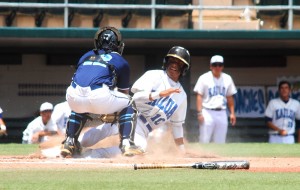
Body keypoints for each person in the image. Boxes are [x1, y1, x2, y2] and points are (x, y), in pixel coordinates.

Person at [79, 46, 191, 158]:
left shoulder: (181, 96)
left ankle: (93, 154)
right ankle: (72, 144)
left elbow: (177, 126)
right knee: (101, 132)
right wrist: (159, 94)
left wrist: (182, 151)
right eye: (172, 60)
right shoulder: (154, 75)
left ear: (184, 68)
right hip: (129, 116)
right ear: (166, 61)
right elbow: (135, 98)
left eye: (179, 63)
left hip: (143, 130)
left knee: (139, 149)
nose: (174, 64)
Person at [60, 26, 143, 158]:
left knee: (78, 103)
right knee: (129, 102)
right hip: (99, 96)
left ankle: (70, 142)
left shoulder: (86, 55)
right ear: (117, 45)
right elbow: (124, 93)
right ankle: (127, 143)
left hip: (72, 95)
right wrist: (114, 113)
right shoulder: (120, 60)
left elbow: (85, 80)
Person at [193, 55, 237, 144]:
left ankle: (218, 157)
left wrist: (232, 113)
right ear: (210, 66)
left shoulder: (227, 78)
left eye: (220, 65)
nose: (217, 67)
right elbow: (199, 96)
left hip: (222, 112)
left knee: (220, 141)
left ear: (223, 66)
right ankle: (202, 156)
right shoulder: (204, 78)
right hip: (207, 112)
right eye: (215, 64)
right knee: (204, 139)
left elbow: (229, 97)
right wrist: (199, 113)